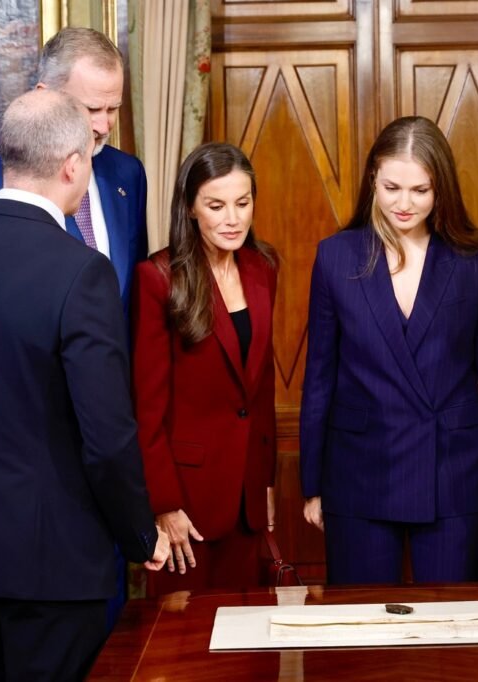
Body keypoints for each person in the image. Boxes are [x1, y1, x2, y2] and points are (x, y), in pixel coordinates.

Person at [0, 89, 170, 681]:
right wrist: (139, 534)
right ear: (73, 164)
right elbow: (106, 435)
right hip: (58, 564)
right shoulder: (81, 270)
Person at [299, 115, 478, 584]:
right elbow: (319, 377)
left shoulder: (475, 255)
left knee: (453, 632)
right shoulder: (336, 255)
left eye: (420, 190)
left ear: (441, 189)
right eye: (391, 187)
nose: (404, 203)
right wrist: (313, 485)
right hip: (358, 471)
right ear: (372, 179)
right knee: (360, 636)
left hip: (453, 471)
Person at [132, 142, 278, 593]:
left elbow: (262, 387)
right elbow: (147, 408)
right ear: (191, 208)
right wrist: (164, 505)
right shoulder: (159, 277)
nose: (232, 218)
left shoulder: (263, 266)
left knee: (251, 647)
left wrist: (266, 481)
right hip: (188, 501)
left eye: (243, 202)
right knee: (184, 649)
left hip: (247, 497)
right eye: (216, 205)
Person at [0, 26, 147, 315]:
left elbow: (133, 294)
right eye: (91, 109)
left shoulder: (128, 174)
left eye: (112, 108)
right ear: (45, 94)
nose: (104, 127)